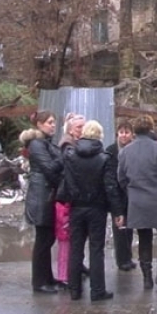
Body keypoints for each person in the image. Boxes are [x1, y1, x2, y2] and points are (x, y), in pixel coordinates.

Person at [56, 120, 124, 302]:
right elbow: (110, 187)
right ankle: (97, 291)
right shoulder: (105, 158)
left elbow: (67, 181)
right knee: (96, 249)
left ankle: (74, 290)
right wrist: (118, 212)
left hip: (76, 207)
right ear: (100, 136)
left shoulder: (70, 155)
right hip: (97, 209)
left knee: (75, 248)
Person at [117, 115, 157, 289]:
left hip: (137, 201)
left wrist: (131, 193)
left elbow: (121, 178)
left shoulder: (125, 152)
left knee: (144, 237)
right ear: (151, 129)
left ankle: (146, 278)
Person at [24, 111, 64, 293]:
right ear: (39, 125)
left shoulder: (46, 143)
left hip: (47, 195)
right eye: (49, 122)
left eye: (54, 122)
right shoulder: (37, 145)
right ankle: (39, 282)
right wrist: (62, 158)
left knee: (48, 238)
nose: (52, 125)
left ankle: (47, 277)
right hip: (41, 197)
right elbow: (49, 169)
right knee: (43, 240)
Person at [54, 113, 86, 289]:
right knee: (66, 238)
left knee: (73, 237)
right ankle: (65, 275)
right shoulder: (68, 146)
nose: (82, 130)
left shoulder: (72, 144)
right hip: (67, 199)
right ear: (71, 129)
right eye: (79, 127)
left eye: (83, 126)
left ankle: (74, 269)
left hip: (69, 197)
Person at [105, 120, 137, 271]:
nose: (124, 135)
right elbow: (110, 177)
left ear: (132, 134)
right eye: (121, 132)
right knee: (119, 228)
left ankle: (128, 257)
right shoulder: (111, 151)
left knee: (129, 228)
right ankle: (122, 259)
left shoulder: (135, 149)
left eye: (127, 132)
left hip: (132, 195)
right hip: (117, 194)